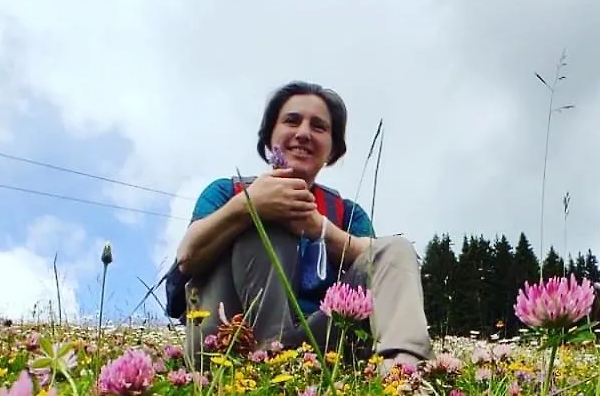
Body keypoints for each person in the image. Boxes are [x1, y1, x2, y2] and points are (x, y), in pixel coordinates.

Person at [175, 81, 432, 372]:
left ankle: (404, 373)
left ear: (333, 149)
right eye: (291, 121)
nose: (303, 134)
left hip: (318, 343)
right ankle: (269, 363)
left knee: (396, 248)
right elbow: (187, 256)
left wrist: (319, 228)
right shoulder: (226, 192)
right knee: (267, 224)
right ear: (269, 135)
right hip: (226, 342)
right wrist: (249, 207)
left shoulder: (346, 213)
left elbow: (380, 261)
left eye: (319, 127)